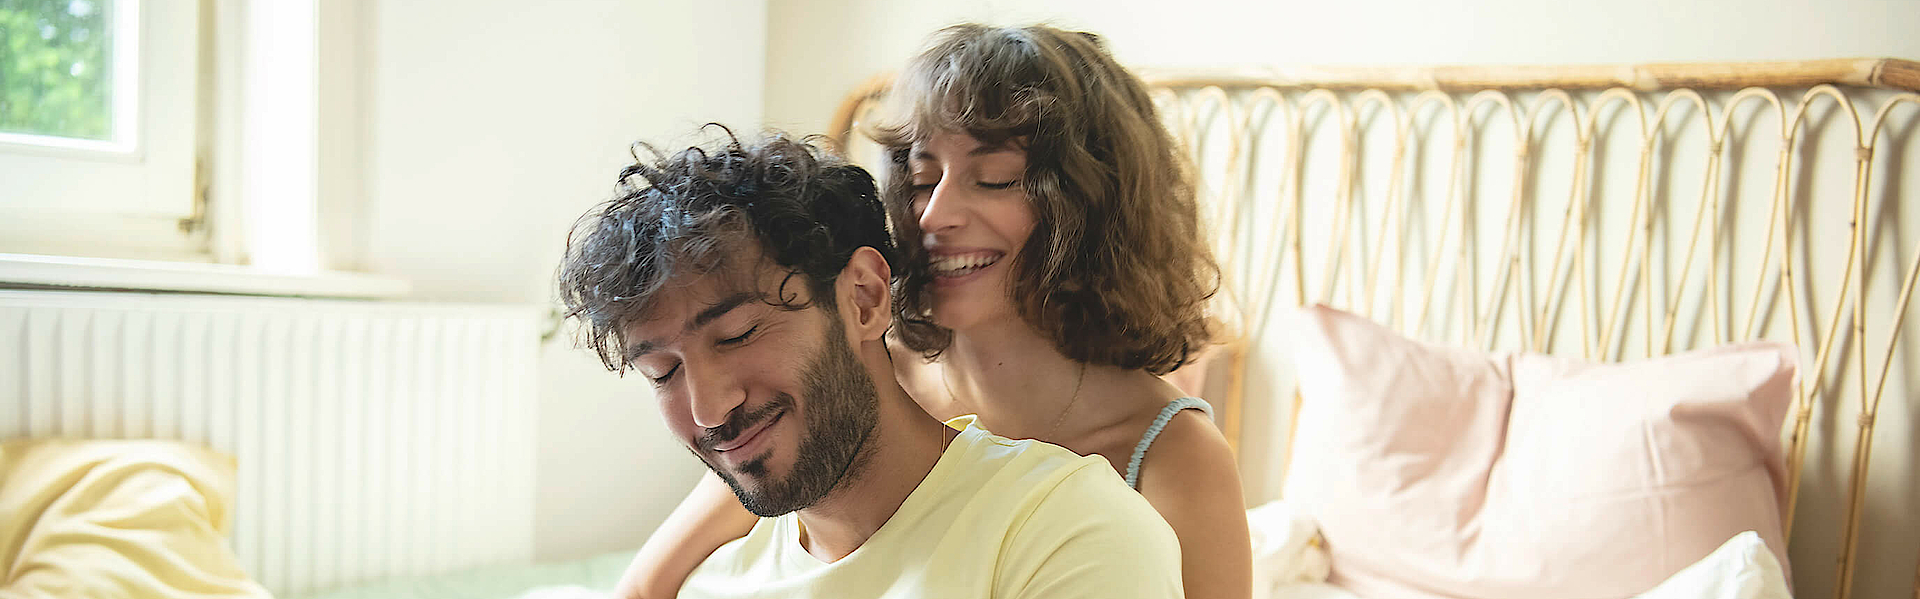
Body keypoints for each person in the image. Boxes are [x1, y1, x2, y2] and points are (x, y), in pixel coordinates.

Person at [615, 24, 1251, 599]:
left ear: (1091, 204)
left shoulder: (1170, 457)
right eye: (921, 180)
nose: (934, 215)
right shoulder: (853, 390)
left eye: (994, 177)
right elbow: (647, 585)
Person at [557, 130, 1185, 598]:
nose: (708, 407)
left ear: (863, 298)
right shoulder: (714, 574)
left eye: (738, 334)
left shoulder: (1059, 528)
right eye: (662, 372)